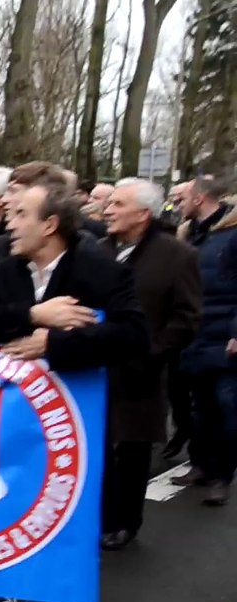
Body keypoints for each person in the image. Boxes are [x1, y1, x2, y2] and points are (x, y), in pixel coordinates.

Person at [0, 181, 149, 602]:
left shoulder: (100, 271)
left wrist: (53, 344)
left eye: (21, 213)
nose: (10, 221)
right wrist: (31, 316)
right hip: (7, 429)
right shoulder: (4, 268)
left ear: (50, 224)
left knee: (62, 532)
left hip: (71, 436)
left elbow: (134, 336)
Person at [98, 178, 201, 547]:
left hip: (141, 371)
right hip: (96, 366)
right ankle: (101, 517)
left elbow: (186, 318)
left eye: (117, 204)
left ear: (143, 213)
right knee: (98, 447)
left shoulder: (177, 256)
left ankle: (126, 521)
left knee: (132, 449)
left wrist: (152, 353)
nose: (108, 210)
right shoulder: (98, 251)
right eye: (108, 203)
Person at [174, 178, 237, 506]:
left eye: (181, 197)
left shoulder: (232, 233)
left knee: (227, 407)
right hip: (196, 334)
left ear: (198, 199)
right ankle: (199, 464)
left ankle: (222, 476)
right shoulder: (190, 235)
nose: (175, 202)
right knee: (200, 408)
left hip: (224, 335)